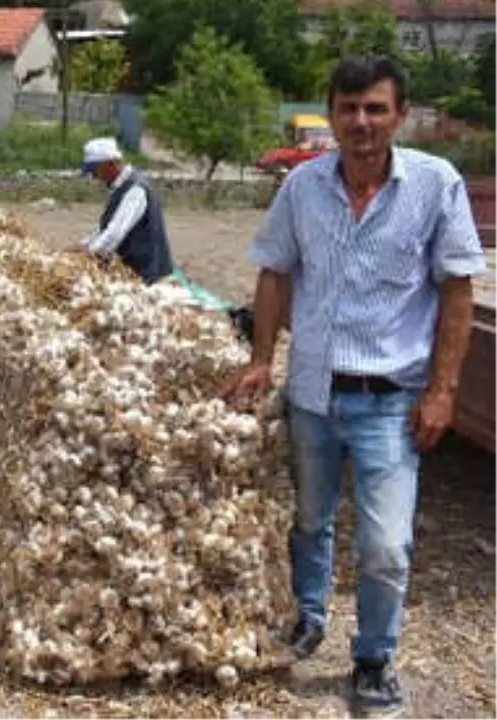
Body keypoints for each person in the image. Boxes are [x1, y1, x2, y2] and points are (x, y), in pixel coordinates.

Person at [220, 54, 485, 713]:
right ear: (331, 113)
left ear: (399, 114)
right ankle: (308, 618)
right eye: (348, 108)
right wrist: (260, 359)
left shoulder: (434, 185)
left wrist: (444, 391)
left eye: (375, 108)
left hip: (389, 402)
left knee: (386, 544)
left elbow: (456, 290)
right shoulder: (302, 187)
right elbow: (275, 272)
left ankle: (372, 657)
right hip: (312, 392)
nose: (360, 121)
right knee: (308, 520)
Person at [78, 137, 176, 284]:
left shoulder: (135, 189)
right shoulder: (121, 188)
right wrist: (82, 247)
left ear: (110, 164)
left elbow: (114, 233)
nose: (93, 176)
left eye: (94, 170)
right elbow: (104, 230)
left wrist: (85, 258)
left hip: (145, 274)